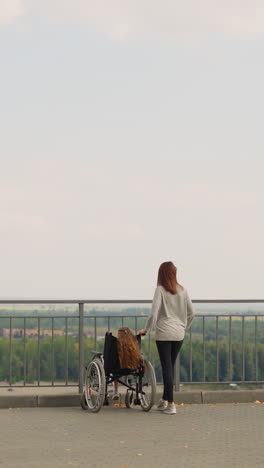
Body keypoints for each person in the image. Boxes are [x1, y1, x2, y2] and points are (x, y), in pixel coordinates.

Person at [138, 261, 194, 415]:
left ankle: (171, 404)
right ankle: (164, 400)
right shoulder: (183, 290)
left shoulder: (160, 290)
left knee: (166, 368)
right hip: (178, 334)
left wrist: (146, 329)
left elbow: (154, 313)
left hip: (164, 333)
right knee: (170, 366)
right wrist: (183, 326)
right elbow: (192, 313)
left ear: (161, 274)